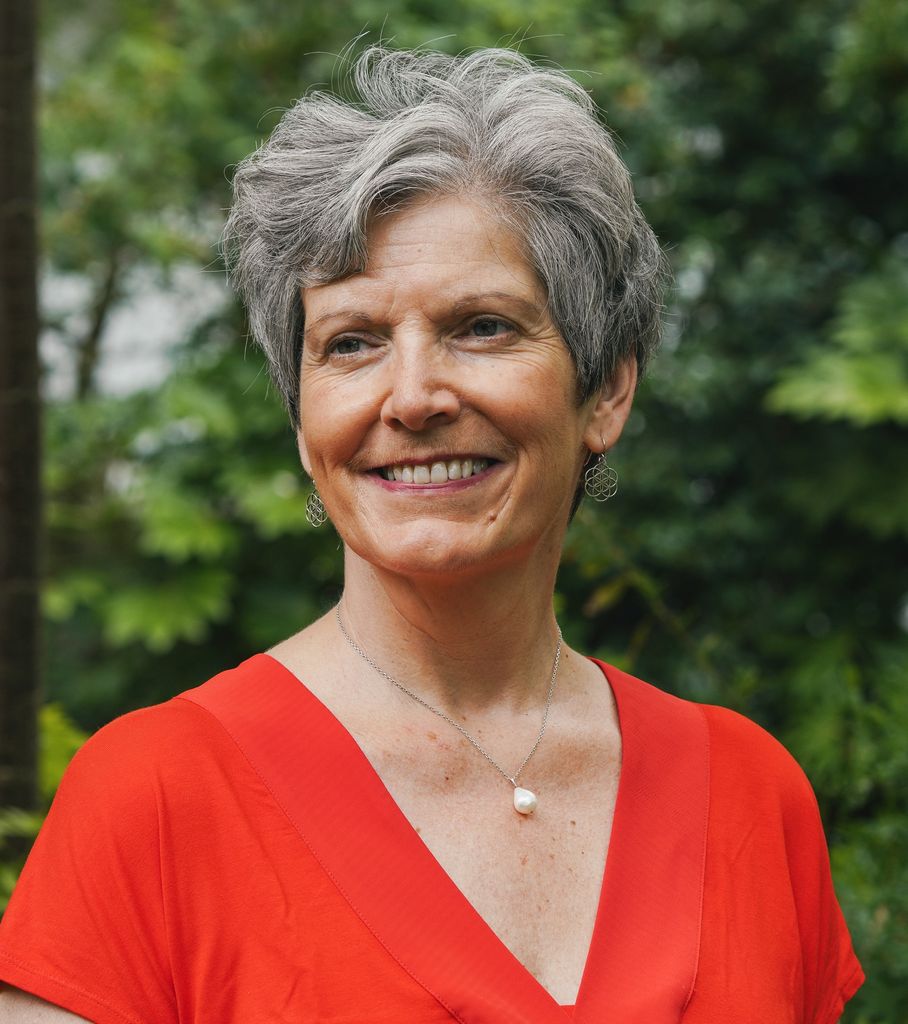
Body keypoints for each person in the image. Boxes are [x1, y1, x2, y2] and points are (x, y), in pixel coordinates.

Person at [0, 46, 863, 1023]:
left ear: (607, 385)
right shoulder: (154, 800)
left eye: (481, 326)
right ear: (300, 413)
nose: (410, 398)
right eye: (352, 343)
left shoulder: (750, 798)